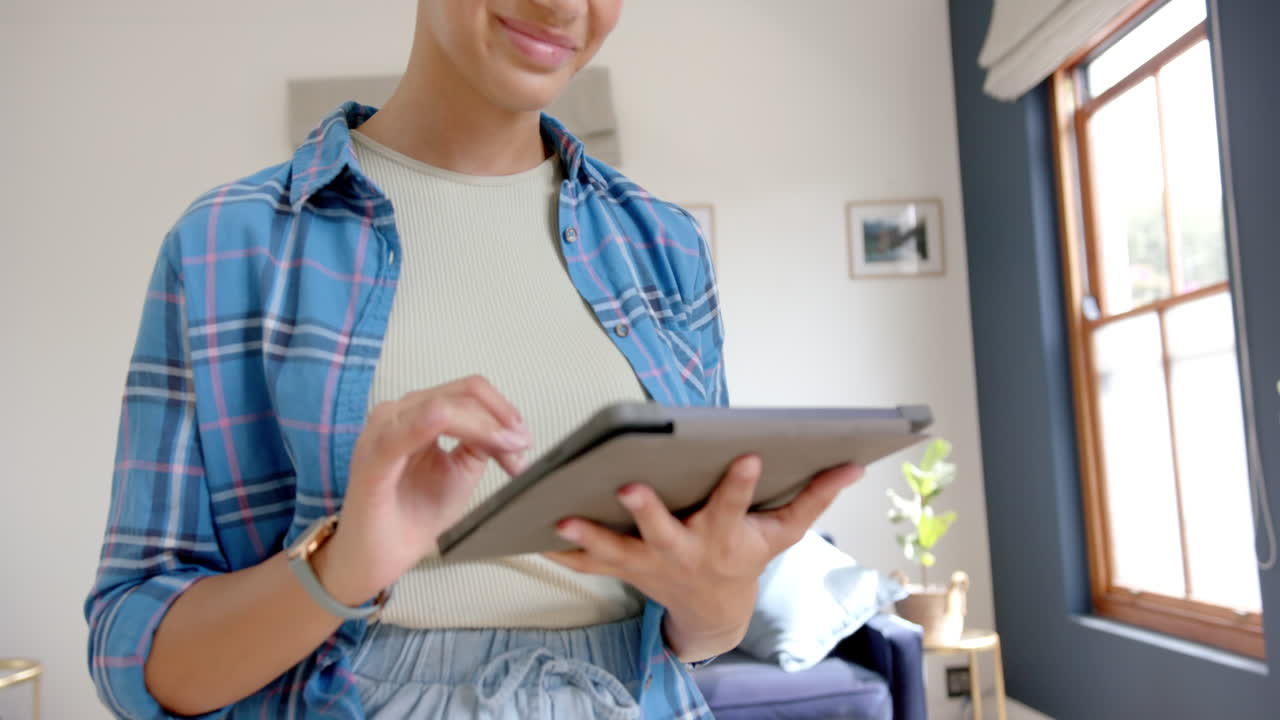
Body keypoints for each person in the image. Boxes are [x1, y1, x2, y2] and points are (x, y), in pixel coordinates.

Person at [85, 1, 863, 717]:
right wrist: (338, 567)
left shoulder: (665, 247)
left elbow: (703, 635)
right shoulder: (230, 243)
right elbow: (134, 658)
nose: (564, 6)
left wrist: (714, 592)